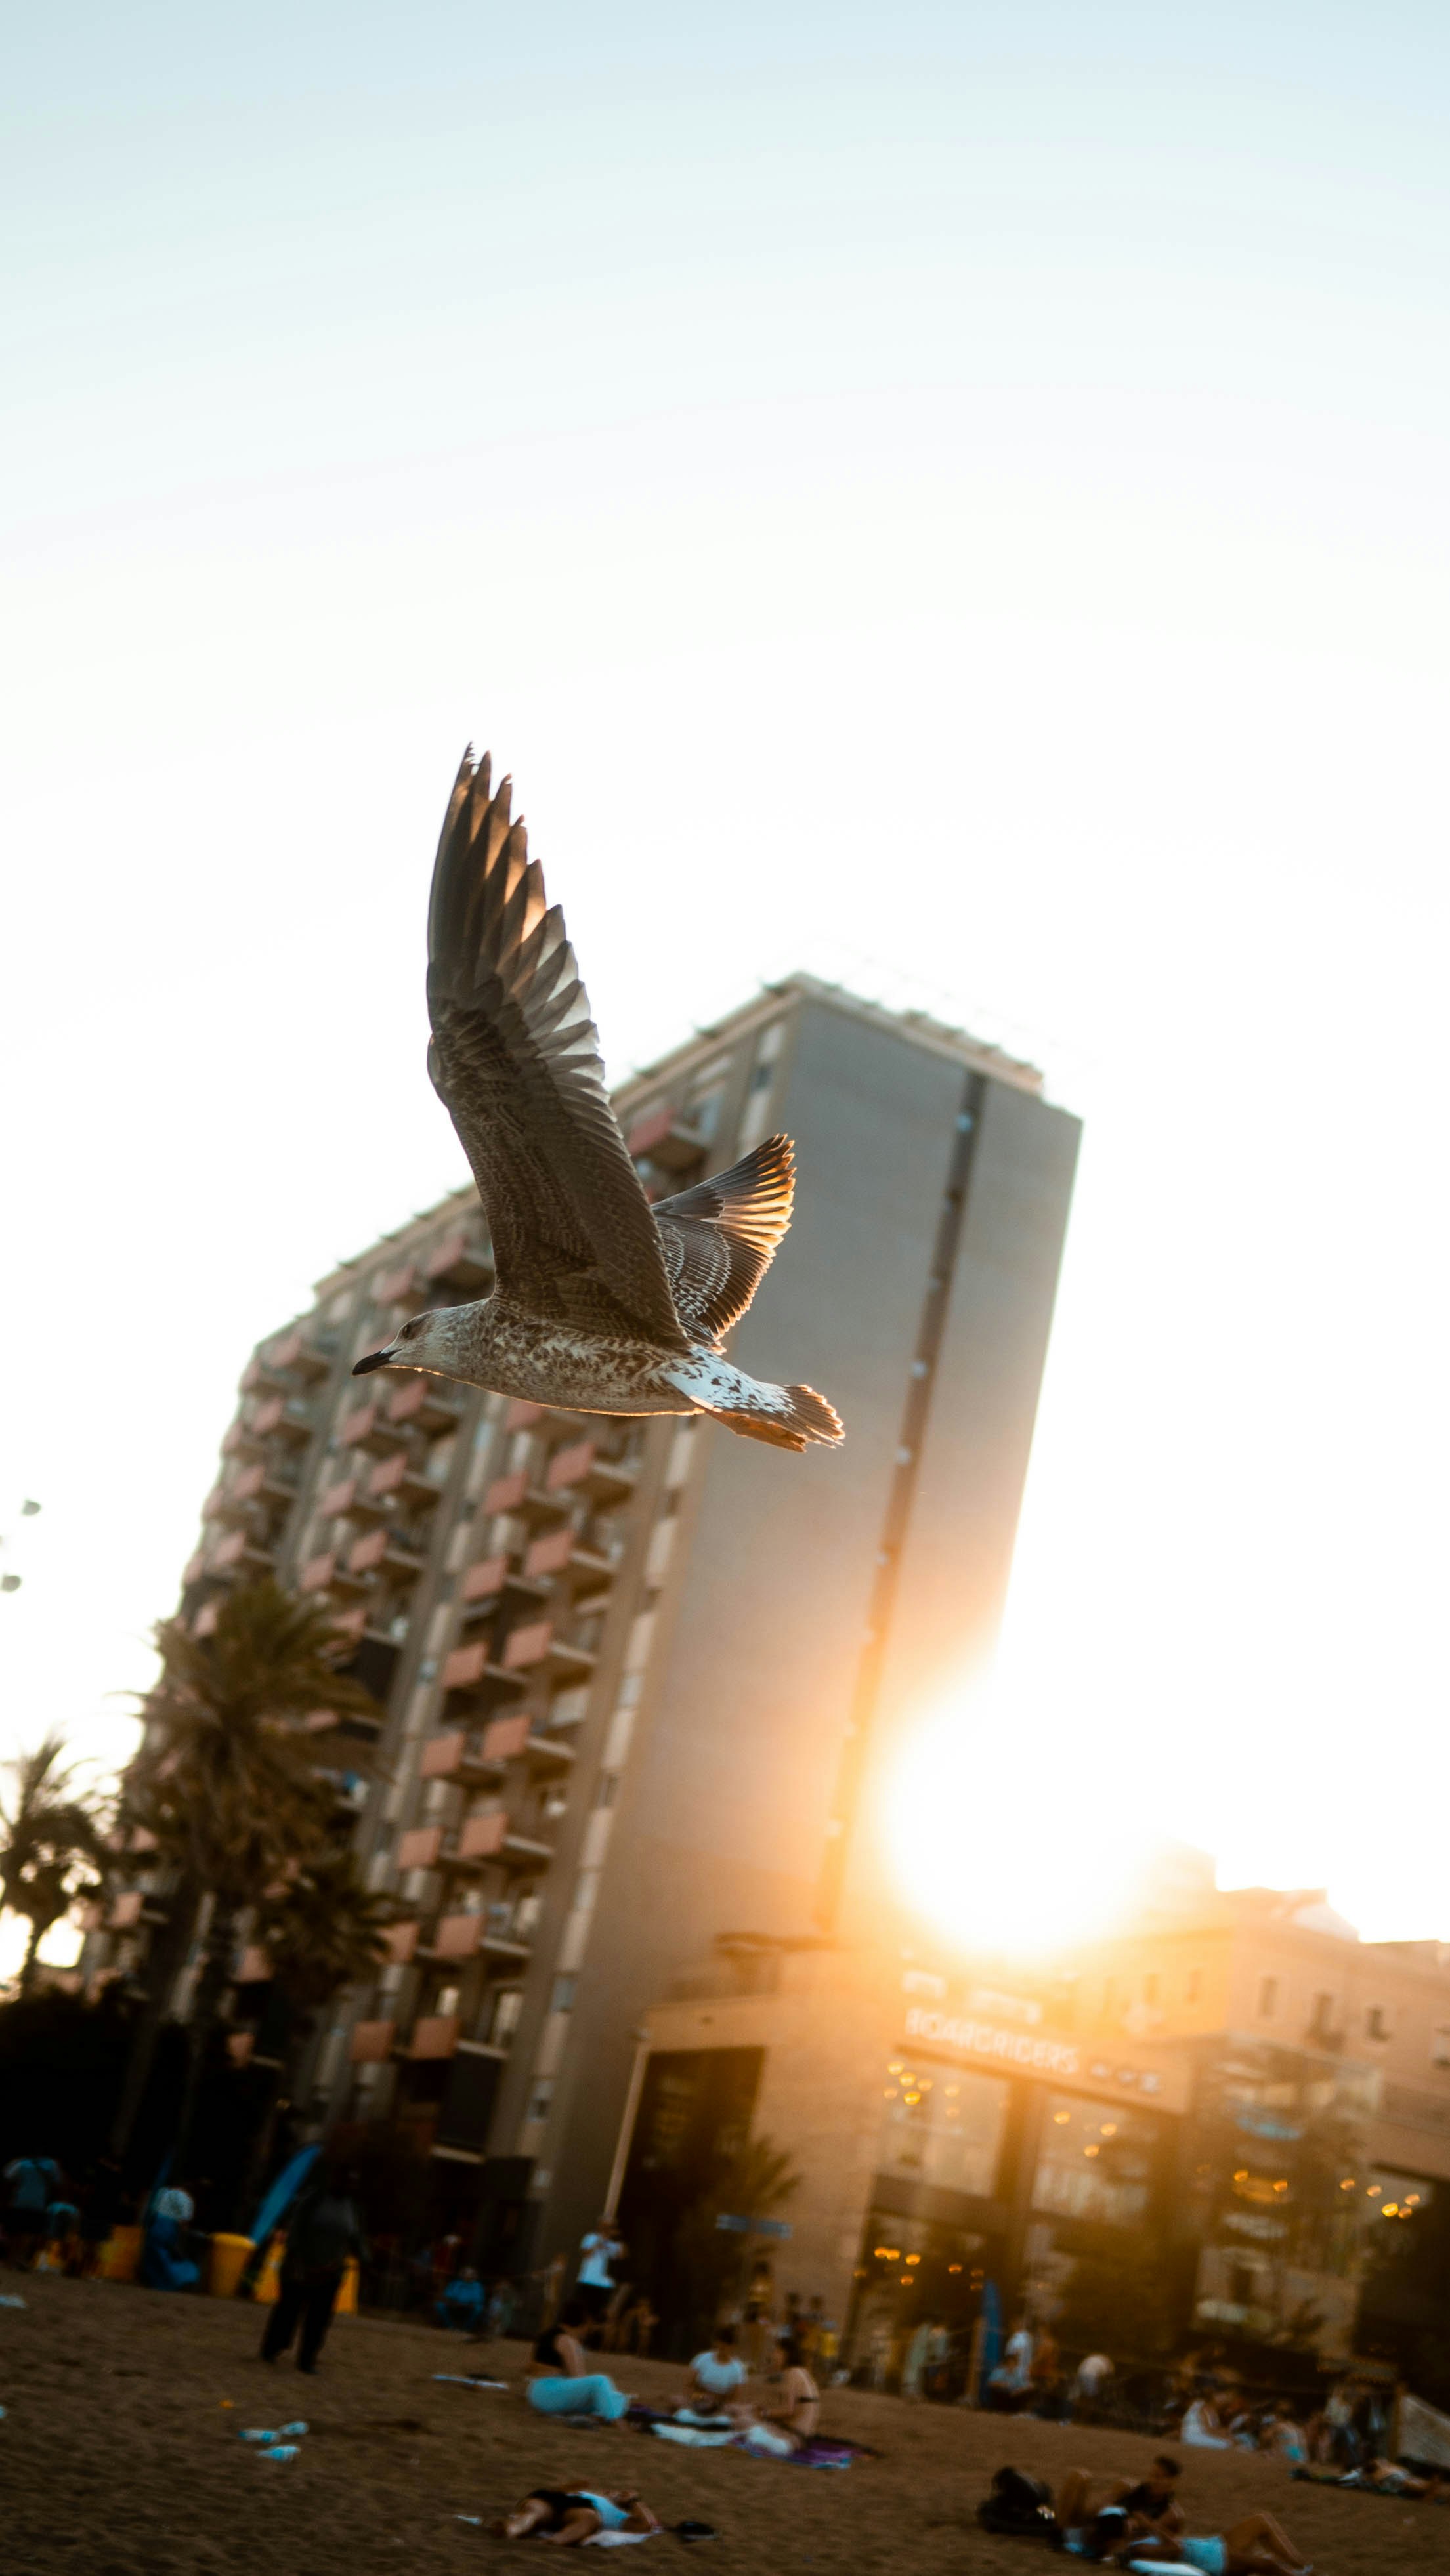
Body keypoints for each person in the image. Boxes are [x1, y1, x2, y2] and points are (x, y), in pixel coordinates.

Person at [259, 2163, 364, 2373]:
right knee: (288, 2310)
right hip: (302, 2267)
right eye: (347, 2181)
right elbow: (296, 2228)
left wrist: (364, 2257)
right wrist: (296, 2258)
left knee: (319, 2318)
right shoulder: (314, 2199)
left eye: (354, 2183)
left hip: (330, 2271)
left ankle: (307, 2359)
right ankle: (272, 2348)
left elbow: (355, 2236)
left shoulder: (351, 2207)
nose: (350, 2186)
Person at [527, 2295, 632, 2421]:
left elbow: (531, 2367)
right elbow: (578, 2377)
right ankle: (615, 2418)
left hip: (536, 2391)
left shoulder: (548, 2334)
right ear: (585, 2321)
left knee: (611, 2396)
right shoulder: (567, 2340)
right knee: (601, 2381)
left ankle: (607, 2409)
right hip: (550, 2393)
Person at [494, 2487, 660, 2545]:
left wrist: (633, 2501)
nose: (618, 2493)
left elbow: (648, 2526)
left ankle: (551, 2542)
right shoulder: (598, 2495)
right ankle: (510, 2530)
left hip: (582, 2510)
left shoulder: (620, 2516)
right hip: (559, 2499)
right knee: (535, 2510)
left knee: (590, 2518)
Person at [4, 2155, 63, 2268]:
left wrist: (7, 2198)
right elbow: (57, 2183)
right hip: (37, 2203)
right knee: (29, 2233)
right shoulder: (50, 2165)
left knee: (17, 2232)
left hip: (20, 2202)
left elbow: (8, 2179)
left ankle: (13, 2259)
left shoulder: (21, 2163)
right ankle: (20, 2258)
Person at [142, 2179, 200, 2291]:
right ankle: (167, 2283)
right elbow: (184, 2220)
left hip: (156, 2223)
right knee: (164, 2255)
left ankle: (154, 2281)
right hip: (168, 2226)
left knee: (152, 2254)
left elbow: (152, 2209)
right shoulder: (186, 2199)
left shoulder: (162, 2191)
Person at [684, 2324, 750, 2417]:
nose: (723, 2346)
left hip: (720, 2406)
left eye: (728, 2343)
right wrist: (699, 2398)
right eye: (721, 2341)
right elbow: (689, 2385)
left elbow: (735, 2398)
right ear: (716, 2342)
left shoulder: (738, 2368)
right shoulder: (703, 2358)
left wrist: (717, 2404)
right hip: (698, 2400)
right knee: (677, 2402)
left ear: (734, 2346)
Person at [575, 2217, 626, 2323]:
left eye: (609, 2227)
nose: (606, 2229)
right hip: (587, 2281)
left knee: (599, 2316)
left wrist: (612, 2240)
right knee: (581, 2313)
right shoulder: (591, 2238)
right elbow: (586, 2254)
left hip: (604, 2285)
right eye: (604, 2226)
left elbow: (622, 2256)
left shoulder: (615, 2244)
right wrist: (600, 2241)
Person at [437, 2265, 486, 2331]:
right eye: (466, 2273)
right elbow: (447, 2296)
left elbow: (479, 2300)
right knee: (439, 2305)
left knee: (479, 2309)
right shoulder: (454, 2284)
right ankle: (450, 2326)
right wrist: (453, 2302)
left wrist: (468, 2304)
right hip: (454, 2305)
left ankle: (466, 2328)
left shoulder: (478, 2286)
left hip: (469, 2307)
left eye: (471, 2274)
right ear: (462, 2274)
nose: (468, 2275)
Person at [1073, 2352, 1116, 2419]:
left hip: (1083, 2371)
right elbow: (1105, 2377)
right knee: (1091, 2400)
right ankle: (1084, 2418)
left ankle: (1077, 2416)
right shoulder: (1109, 2365)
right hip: (1092, 2374)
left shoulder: (1100, 2360)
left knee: (1083, 2396)